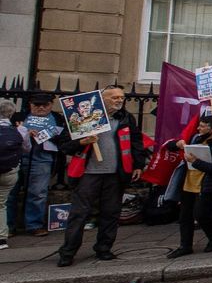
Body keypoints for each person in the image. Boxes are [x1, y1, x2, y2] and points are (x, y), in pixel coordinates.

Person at [56, 86, 148, 267]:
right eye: (114, 97)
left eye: (121, 97)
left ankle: (104, 248)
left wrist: (138, 164)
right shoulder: (83, 118)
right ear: (101, 99)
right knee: (79, 214)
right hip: (89, 174)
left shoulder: (125, 118)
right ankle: (68, 252)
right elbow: (64, 145)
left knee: (111, 213)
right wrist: (82, 141)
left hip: (115, 173)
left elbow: (136, 141)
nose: (119, 100)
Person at [166, 114, 212, 258]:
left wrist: (195, 162)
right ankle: (185, 245)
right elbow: (170, 146)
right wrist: (176, 144)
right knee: (185, 216)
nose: (199, 128)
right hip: (189, 182)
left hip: (206, 184)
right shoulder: (195, 138)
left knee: (202, 215)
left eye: (203, 126)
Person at [13, 92, 64, 237]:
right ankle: (9, 225)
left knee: (38, 193)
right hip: (18, 157)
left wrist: (52, 135)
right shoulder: (20, 116)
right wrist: (24, 133)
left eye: (45, 105)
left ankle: (34, 225)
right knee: (11, 193)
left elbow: (64, 137)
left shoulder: (57, 118)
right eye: (37, 105)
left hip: (43, 157)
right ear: (30, 105)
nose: (41, 108)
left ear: (51, 105)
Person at [0, 100, 28, 250]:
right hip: (10, 171)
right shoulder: (20, 130)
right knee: (1, 204)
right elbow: (26, 149)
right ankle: (2, 239)